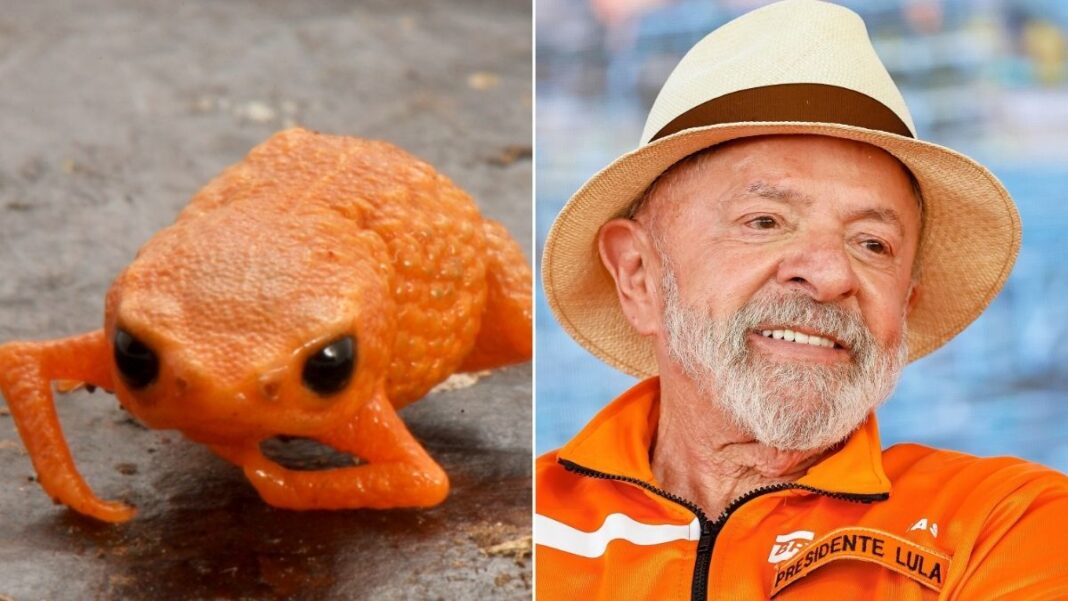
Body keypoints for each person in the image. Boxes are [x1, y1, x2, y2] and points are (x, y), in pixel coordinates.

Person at [535, 1, 1068, 599]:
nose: (830, 274)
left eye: (872, 244)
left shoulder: (1006, 523)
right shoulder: (528, 516)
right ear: (638, 275)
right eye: (764, 221)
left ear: (905, 305)